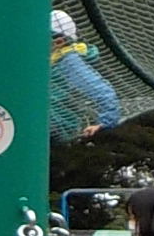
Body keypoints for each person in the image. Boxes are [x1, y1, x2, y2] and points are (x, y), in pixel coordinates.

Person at [49, 9, 121, 141]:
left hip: (56, 128)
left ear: (59, 42)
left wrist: (105, 123)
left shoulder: (69, 61)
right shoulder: (52, 60)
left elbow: (104, 92)